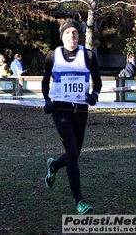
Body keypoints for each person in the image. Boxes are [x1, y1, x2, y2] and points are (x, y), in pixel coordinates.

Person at [41, 18, 102, 215]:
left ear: (79, 36)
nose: (72, 36)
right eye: (68, 33)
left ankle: (54, 165)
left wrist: (93, 96)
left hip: (81, 111)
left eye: (75, 32)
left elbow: (98, 82)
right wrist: (47, 101)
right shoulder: (52, 56)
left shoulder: (89, 56)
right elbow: (44, 82)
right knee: (73, 153)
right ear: (62, 36)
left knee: (74, 153)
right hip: (60, 110)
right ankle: (79, 200)